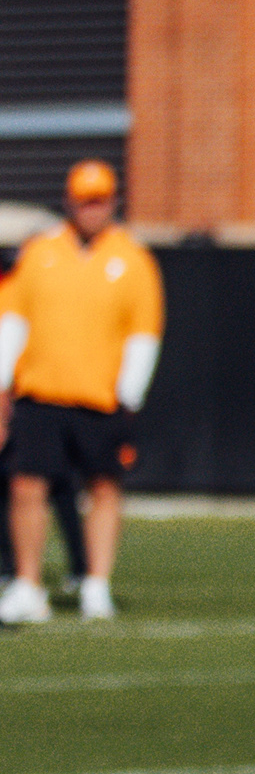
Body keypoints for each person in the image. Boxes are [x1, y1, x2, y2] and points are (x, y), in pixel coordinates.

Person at [0, 161, 161, 624]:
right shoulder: (41, 252)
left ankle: (96, 584)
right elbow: (14, 321)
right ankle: (28, 584)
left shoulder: (133, 259)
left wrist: (130, 395)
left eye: (100, 201)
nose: (93, 210)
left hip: (100, 397)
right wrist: (3, 382)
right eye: (85, 201)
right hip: (41, 391)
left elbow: (143, 332)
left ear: (113, 202)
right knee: (26, 485)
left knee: (103, 487)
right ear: (70, 202)